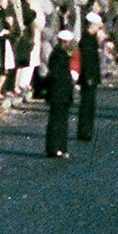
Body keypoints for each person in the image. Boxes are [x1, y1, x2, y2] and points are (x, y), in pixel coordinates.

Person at [44, 30, 75, 159]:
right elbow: (56, 75)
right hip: (59, 93)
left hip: (60, 93)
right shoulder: (58, 55)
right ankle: (55, 147)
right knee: (57, 122)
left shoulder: (59, 54)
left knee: (60, 122)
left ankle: (59, 147)